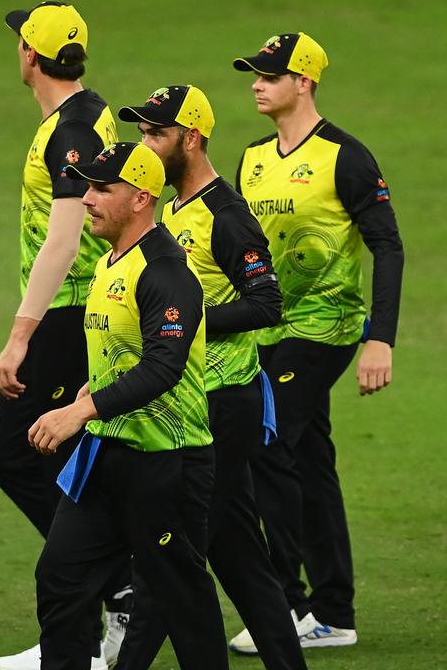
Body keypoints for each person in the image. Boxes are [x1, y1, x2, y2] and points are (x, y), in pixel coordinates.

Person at [110, 85, 308, 670]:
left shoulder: (227, 216)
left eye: (156, 135)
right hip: (199, 407)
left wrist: (184, 325)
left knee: (169, 563)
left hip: (223, 408)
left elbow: (267, 305)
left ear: (191, 139)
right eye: (142, 133)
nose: (146, 145)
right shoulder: (170, 213)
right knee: (243, 564)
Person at [228, 32, 405, 652]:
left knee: (266, 444)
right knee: (310, 463)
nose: (257, 83)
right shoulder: (251, 158)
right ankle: (333, 612)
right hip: (265, 331)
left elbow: (388, 244)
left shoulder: (345, 156)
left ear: (304, 82)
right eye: (254, 73)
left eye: (270, 75)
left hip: (324, 328)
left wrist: (378, 338)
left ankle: (287, 605)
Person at [28, 141, 229, 670]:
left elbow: (164, 368)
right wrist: (89, 392)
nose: (87, 198)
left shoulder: (166, 272)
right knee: (61, 575)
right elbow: (124, 354)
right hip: (108, 456)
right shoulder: (113, 261)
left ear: (141, 198)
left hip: (168, 463)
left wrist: (80, 412)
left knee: (181, 596)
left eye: (101, 188)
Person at [0, 2, 128, 670]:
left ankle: (117, 586)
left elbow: (64, 236)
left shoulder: (67, 131)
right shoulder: (89, 111)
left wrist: (20, 335)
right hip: (75, 310)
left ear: (29, 57)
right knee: (49, 457)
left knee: (16, 457)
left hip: (66, 314)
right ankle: (89, 614)